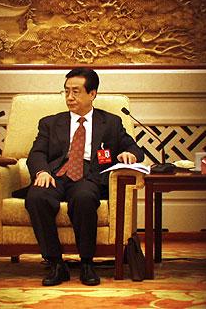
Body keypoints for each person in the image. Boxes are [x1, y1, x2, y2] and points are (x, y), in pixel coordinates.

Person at [25, 68, 144, 286]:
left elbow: (135, 149)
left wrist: (129, 154)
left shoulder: (111, 122)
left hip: (89, 176)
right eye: (66, 91)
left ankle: (87, 263)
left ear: (92, 94)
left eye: (76, 92)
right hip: (56, 174)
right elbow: (37, 153)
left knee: (84, 198)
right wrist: (41, 171)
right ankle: (56, 264)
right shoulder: (50, 123)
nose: (70, 97)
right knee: (36, 197)